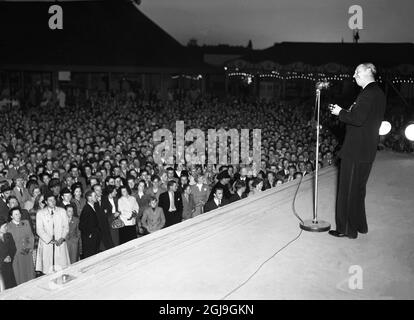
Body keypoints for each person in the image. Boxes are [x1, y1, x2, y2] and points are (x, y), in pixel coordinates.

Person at [329, 63, 386, 239]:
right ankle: (360, 225)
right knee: (358, 190)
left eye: (357, 72)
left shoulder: (368, 93)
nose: (354, 76)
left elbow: (358, 119)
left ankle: (346, 229)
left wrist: (340, 112)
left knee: (347, 190)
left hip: (355, 151)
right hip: (366, 150)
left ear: (369, 72)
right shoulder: (378, 92)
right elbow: (365, 118)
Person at [35, 191, 70, 275]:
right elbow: (39, 230)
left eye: (54, 200)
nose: (53, 202)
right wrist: (50, 240)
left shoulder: (62, 211)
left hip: (59, 241)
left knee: (61, 266)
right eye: (50, 200)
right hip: (47, 243)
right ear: (46, 202)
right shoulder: (40, 213)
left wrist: (62, 238)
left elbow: (66, 227)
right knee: (48, 267)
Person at [7, 207, 35, 285]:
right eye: (16, 214)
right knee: (19, 274)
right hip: (17, 254)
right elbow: (10, 243)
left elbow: (31, 236)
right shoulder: (8, 227)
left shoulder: (25, 223)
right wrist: (19, 250)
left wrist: (29, 248)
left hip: (27, 252)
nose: (18, 216)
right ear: (11, 216)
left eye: (19, 213)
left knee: (29, 272)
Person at [79, 190, 101, 258]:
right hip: (89, 239)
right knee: (90, 256)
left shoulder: (93, 207)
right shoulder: (86, 209)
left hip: (94, 236)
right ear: (89, 198)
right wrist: (89, 234)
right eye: (95, 196)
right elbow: (81, 225)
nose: (97, 197)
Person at [0, 216, 17, 290]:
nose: (6, 228)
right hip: (1, 266)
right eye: (4, 227)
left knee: (11, 286)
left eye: (6, 226)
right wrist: (3, 259)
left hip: (8, 265)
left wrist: (9, 256)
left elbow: (13, 248)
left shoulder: (9, 235)